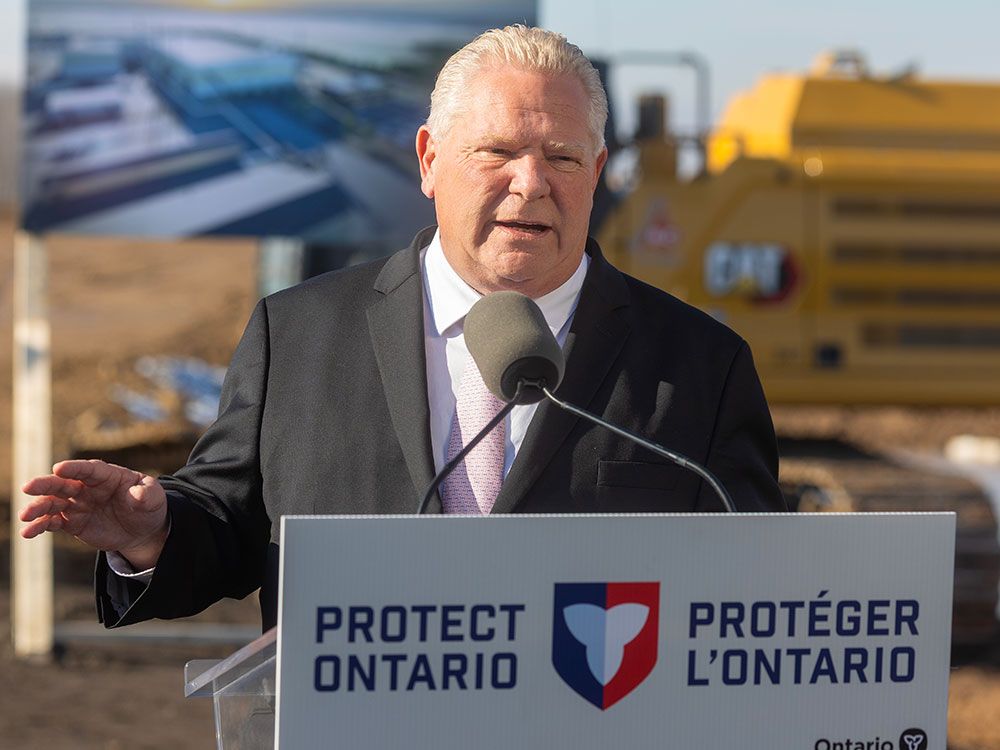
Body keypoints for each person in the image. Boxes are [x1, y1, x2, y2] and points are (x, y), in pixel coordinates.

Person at [20, 26, 786, 632]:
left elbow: (748, 599)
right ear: (428, 160)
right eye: (497, 152)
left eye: (561, 156)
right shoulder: (298, 336)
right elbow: (229, 526)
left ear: (597, 173)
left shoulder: (700, 367)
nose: (531, 183)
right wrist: (153, 532)